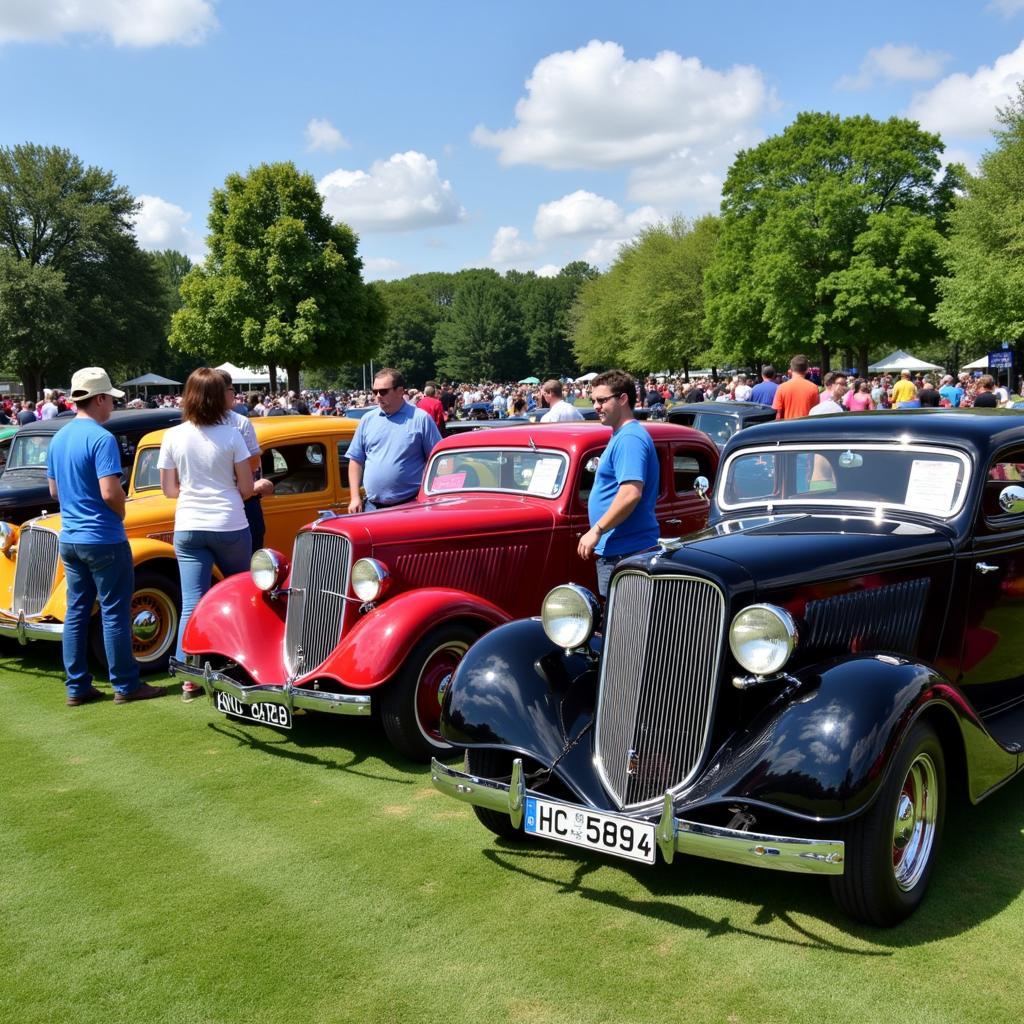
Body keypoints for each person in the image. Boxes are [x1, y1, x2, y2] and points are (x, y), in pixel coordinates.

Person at [46, 367, 165, 706]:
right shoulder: (101, 438)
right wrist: (121, 511)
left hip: (70, 537)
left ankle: (77, 686)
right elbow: (111, 491)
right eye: (109, 399)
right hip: (103, 536)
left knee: (77, 610)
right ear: (98, 399)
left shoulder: (59, 437)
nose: (112, 405)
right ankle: (126, 686)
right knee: (114, 611)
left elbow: (54, 491)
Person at [158, 368, 255, 687]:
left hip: (188, 523)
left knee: (192, 602)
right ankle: (244, 663)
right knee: (242, 594)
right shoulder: (231, 435)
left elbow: (169, 490)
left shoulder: (172, 435)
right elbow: (246, 486)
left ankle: (188, 677)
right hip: (229, 521)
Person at [578, 369, 660, 599]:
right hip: (619, 550)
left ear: (623, 399)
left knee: (627, 627)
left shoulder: (630, 439)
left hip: (627, 552)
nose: (596, 406)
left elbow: (631, 493)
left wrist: (597, 529)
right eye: (594, 400)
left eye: (602, 400)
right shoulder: (620, 436)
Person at [347, 368, 441, 513]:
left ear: (399, 391)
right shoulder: (367, 419)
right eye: (375, 392)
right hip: (371, 507)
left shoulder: (420, 419)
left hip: (410, 505)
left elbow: (439, 461)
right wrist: (354, 497)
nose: (378, 396)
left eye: (383, 391)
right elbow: (355, 460)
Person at [773, 355, 819, 419]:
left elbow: (778, 414)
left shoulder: (781, 388)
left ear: (791, 370)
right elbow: (816, 412)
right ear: (807, 370)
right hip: (807, 427)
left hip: (787, 427)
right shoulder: (813, 388)